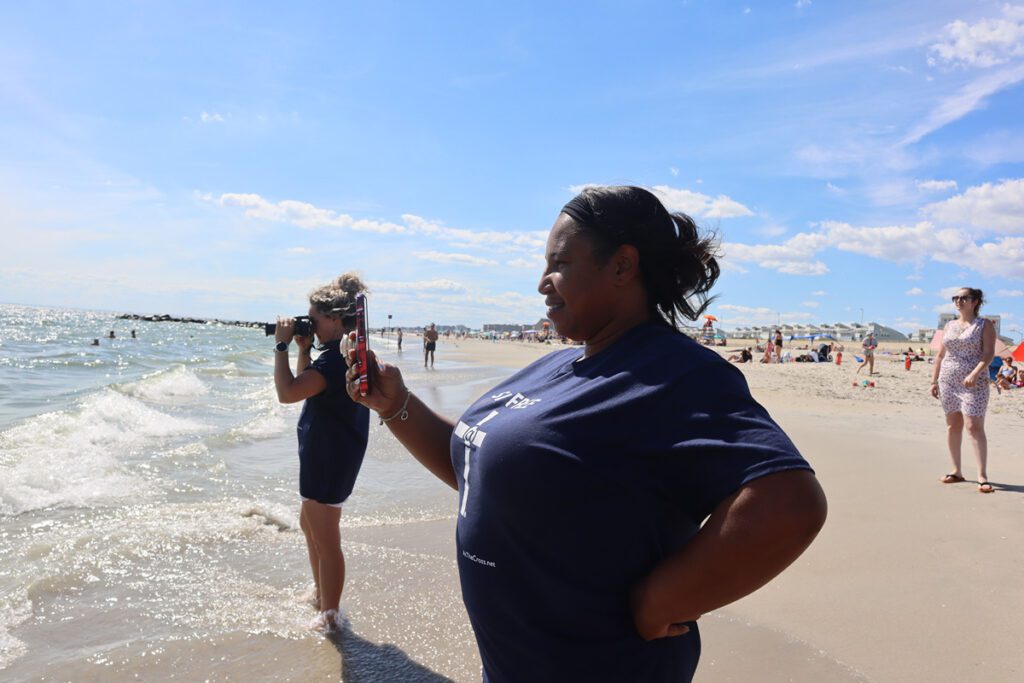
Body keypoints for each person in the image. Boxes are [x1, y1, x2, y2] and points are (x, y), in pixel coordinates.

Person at [345, 185, 826, 681]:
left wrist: (661, 601)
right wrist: (396, 405)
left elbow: (789, 504)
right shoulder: (558, 364)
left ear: (622, 266)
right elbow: (482, 473)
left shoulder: (673, 373)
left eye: (560, 263)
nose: (542, 283)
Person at [274, 273, 370, 628]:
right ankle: (320, 593)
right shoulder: (334, 355)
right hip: (329, 453)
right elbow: (305, 385)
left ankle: (330, 614)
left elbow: (287, 393)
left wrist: (280, 346)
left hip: (329, 458)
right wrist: (302, 348)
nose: (308, 322)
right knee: (309, 524)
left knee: (326, 538)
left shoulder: (333, 361)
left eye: (312, 317)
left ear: (332, 318)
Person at [931, 287, 996, 493]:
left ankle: (982, 476)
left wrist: (975, 373)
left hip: (973, 383)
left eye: (963, 298)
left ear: (975, 301)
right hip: (948, 380)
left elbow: (988, 354)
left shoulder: (984, 325)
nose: (958, 301)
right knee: (953, 425)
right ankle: (956, 470)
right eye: (955, 298)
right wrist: (934, 381)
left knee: (973, 426)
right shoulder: (949, 325)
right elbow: (941, 355)